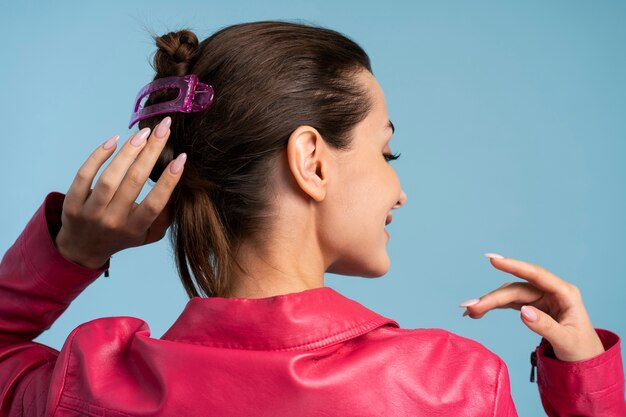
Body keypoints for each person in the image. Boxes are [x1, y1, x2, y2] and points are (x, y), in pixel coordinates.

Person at [0, 21, 623, 417]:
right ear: (311, 161)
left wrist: (72, 253)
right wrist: (585, 383)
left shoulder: (91, 380)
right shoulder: (450, 385)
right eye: (386, 152)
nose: (399, 192)